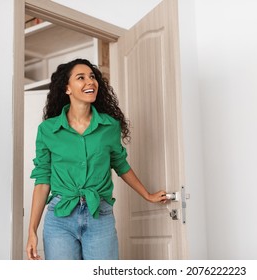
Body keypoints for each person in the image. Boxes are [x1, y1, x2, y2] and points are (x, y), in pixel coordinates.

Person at [26, 58, 167, 260]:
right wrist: (32, 230)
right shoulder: (48, 130)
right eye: (81, 78)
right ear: (67, 88)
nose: (90, 82)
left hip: (99, 215)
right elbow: (42, 180)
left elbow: (121, 165)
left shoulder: (109, 126)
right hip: (59, 219)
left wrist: (147, 195)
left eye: (92, 77)